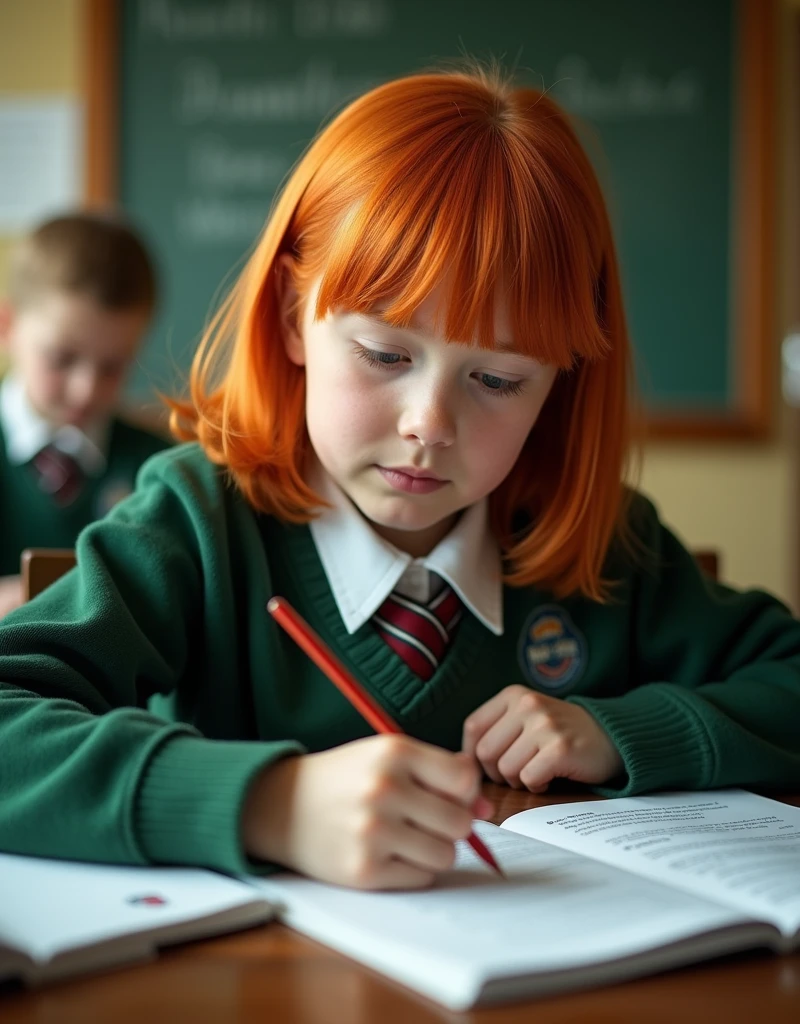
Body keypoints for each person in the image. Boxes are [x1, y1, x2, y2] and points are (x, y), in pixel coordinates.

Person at [0, 69, 798, 891]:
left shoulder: (601, 541)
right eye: (385, 355)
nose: (430, 425)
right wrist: (269, 804)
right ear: (290, 317)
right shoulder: (198, 523)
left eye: (498, 380)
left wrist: (624, 730)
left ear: (561, 382)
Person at [0, 212, 171, 616]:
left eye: (113, 367)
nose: (87, 388)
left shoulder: (159, 469)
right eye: (61, 359)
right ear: (7, 326)